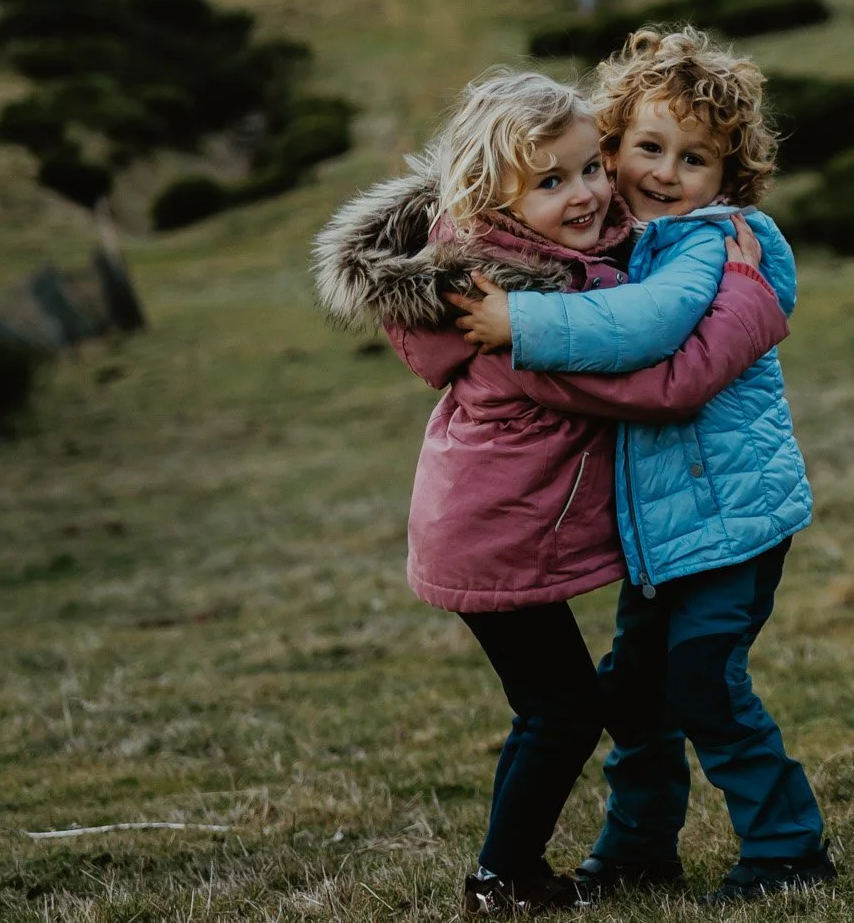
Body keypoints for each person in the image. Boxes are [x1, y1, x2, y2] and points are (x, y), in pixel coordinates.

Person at [312, 68, 785, 915]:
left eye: (591, 168)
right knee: (562, 710)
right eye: (553, 181)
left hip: (493, 527)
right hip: (496, 536)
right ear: (492, 200)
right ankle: (504, 877)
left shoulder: (536, 266)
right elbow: (656, 382)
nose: (591, 193)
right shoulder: (509, 312)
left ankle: (570, 860)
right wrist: (749, 294)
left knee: (573, 701)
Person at [448, 28, 835, 904]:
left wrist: (524, 327)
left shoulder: (713, 241)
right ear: (611, 145)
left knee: (702, 676)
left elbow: (649, 327)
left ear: (727, 176)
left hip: (732, 518)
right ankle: (635, 847)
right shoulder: (617, 235)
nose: (665, 172)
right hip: (659, 530)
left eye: (693, 158)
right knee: (634, 689)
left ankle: (786, 847)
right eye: (648, 147)